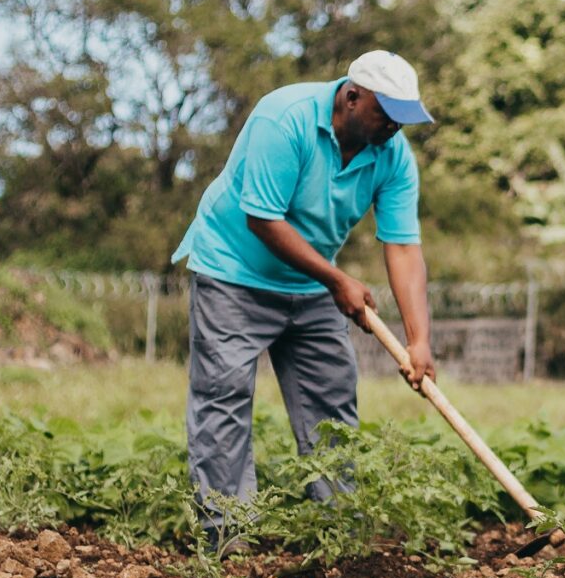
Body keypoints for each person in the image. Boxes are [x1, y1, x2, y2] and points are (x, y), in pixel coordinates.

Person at [171, 49, 436, 533]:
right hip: (233, 272)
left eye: (404, 120)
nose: (394, 129)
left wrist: (418, 339)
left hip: (310, 282)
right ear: (352, 97)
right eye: (386, 116)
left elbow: (403, 246)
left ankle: (338, 533)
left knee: (331, 401)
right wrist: (338, 281)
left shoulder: (392, 156)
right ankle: (226, 537)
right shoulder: (284, 118)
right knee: (223, 398)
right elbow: (263, 219)